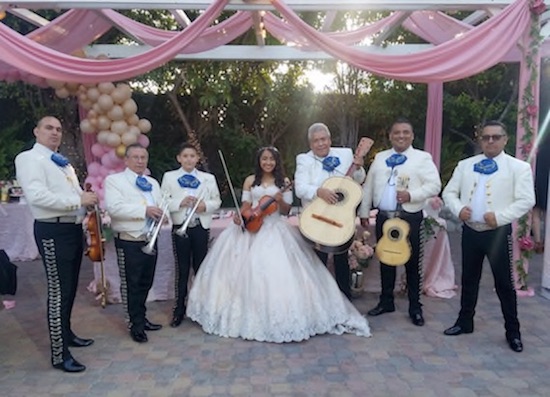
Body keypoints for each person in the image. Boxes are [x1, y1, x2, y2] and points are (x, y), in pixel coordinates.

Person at [186, 147, 371, 342]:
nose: (268, 162)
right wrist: (241, 215)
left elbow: (285, 211)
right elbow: (246, 205)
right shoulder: (250, 180)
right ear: (259, 161)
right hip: (251, 227)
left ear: (276, 162)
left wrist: (281, 200)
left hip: (275, 228)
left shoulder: (284, 183)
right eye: (264, 159)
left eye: (271, 159)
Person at [442, 120, 535, 352]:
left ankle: (513, 332)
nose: (490, 141)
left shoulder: (518, 167)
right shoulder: (465, 165)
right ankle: (465, 322)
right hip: (470, 231)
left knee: (504, 284)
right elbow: (449, 192)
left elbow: (526, 200)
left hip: (496, 233)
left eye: (496, 137)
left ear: (505, 139)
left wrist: (501, 216)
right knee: (469, 280)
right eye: (486, 137)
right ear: (480, 140)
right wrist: (458, 208)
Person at [15, 116, 96, 373]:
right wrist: (78, 201)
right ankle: (59, 354)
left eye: (59, 129)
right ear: (36, 131)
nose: (55, 133)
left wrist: (84, 202)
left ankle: (67, 333)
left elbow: (71, 196)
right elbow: (37, 196)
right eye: (48, 128)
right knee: (58, 291)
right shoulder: (29, 158)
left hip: (71, 227)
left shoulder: (61, 162)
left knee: (70, 287)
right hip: (52, 229)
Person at [358, 117, 441, 326]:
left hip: (410, 217)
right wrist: (364, 211)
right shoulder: (380, 157)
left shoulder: (422, 158)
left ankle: (415, 306)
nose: (401, 136)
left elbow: (434, 185)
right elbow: (368, 185)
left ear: (412, 136)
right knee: (386, 259)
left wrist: (411, 195)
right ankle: (386, 301)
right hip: (385, 216)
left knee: (412, 262)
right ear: (390, 136)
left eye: (405, 132)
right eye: (397, 132)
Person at [294, 122, 366, 300]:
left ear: (329, 139)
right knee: (319, 260)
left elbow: (358, 180)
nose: (320, 143)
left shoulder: (345, 154)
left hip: (342, 217)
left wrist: (359, 167)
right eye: (316, 141)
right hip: (317, 217)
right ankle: (318, 301)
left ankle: (344, 299)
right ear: (310, 144)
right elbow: (300, 188)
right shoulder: (304, 159)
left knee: (342, 259)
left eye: (323, 139)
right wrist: (319, 191)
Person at [104, 143, 164, 343]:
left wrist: (163, 214)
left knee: (146, 282)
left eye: (143, 157)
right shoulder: (115, 181)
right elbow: (114, 208)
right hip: (130, 239)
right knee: (132, 284)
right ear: (126, 160)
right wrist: (145, 210)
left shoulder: (153, 183)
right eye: (136, 157)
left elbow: (160, 204)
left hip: (150, 238)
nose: (140, 161)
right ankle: (134, 324)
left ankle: (142, 317)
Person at [161, 143, 221, 328]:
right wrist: (180, 202)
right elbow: (163, 200)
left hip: (200, 226)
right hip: (181, 227)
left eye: (192, 156)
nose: (189, 159)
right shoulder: (170, 177)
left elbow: (216, 200)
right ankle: (179, 310)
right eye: (185, 156)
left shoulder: (208, 178)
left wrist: (205, 206)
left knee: (201, 269)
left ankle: (202, 309)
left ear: (197, 159)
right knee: (182, 269)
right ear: (179, 158)